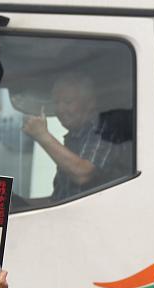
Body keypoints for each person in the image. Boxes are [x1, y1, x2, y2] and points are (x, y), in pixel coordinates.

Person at [22, 72, 129, 200]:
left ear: (90, 103)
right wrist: (20, 204)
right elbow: (60, 199)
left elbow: (83, 173)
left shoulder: (104, 129)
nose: (60, 109)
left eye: (67, 102)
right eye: (56, 102)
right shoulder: (75, 135)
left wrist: (42, 135)